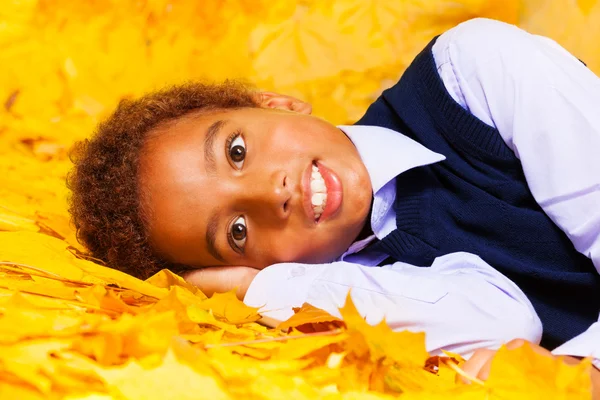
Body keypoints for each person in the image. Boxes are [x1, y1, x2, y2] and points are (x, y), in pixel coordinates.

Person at [69, 17, 600, 376]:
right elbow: (506, 325)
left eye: (235, 151)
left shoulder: (470, 74)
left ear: (276, 103)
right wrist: (259, 289)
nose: (269, 193)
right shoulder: (375, 283)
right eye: (236, 233)